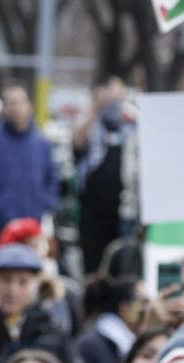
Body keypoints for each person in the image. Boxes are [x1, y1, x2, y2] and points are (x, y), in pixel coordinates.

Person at [73, 75, 136, 274]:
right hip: (92, 211)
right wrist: (96, 107)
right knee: (92, 264)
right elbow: (77, 143)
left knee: (121, 264)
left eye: (117, 91)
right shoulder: (91, 120)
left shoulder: (131, 120)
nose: (112, 98)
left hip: (124, 210)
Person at [0, 82, 58, 236]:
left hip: (33, 225)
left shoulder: (42, 144)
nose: (15, 108)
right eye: (9, 103)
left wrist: (45, 204)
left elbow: (52, 178)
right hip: (0, 225)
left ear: (29, 106)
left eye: (18, 102)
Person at [75, 275, 146, 363]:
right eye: (144, 302)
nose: (149, 308)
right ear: (125, 307)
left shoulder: (121, 341)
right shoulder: (93, 345)